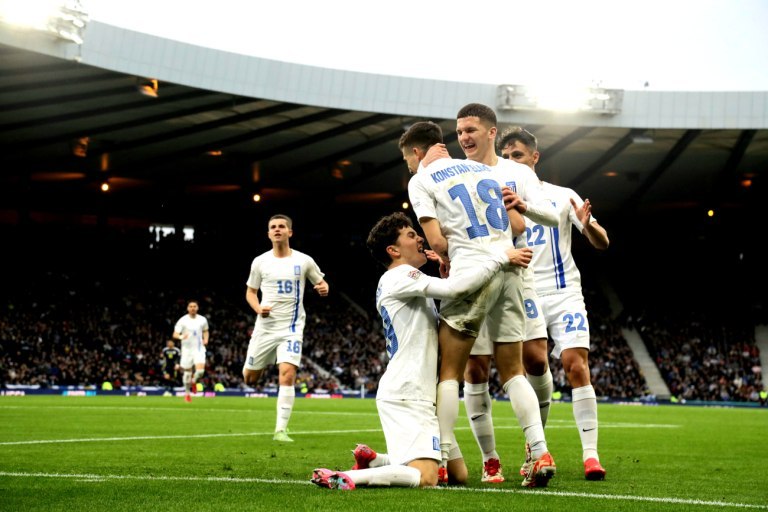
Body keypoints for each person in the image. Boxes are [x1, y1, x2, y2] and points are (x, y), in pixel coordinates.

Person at [312, 212, 530, 490]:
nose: (420, 239)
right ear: (393, 250)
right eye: (411, 235)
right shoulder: (401, 274)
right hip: (409, 391)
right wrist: (501, 257)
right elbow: (455, 289)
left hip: (415, 390)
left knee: (459, 475)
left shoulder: (398, 280)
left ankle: (375, 460)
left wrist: (447, 271)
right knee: (427, 478)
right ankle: (344, 477)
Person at [404, 120, 556, 488]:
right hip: (510, 268)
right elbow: (518, 225)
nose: (409, 165)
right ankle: (540, 452)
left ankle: (441, 460)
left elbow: (436, 241)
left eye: (408, 159)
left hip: (472, 273)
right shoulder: (482, 170)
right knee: (513, 371)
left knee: (450, 373)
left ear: (417, 153)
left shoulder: (421, 179)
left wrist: (446, 257)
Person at [458, 124, 611, 480]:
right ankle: (537, 443)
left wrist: (588, 226)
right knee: (535, 362)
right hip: (522, 289)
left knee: (575, 365)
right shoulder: (493, 195)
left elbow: (602, 242)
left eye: (518, 155)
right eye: (507, 156)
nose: (512, 161)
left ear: (534, 157)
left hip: (563, 291)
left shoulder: (562, 196)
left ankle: (590, 455)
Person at [243, 214, 329, 442]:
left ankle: (280, 430)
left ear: (290, 232)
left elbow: (321, 282)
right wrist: (258, 308)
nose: (277, 229)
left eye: (282, 226)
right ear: (268, 233)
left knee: (288, 374)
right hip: (265, 328)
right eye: (273, 227)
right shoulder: (260, 262)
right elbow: (250, 292)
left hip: (292, 328)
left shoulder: (304, 261)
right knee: (250, 379)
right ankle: (264, 361)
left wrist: (323, 288)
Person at [173, 300, 209, 403]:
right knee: (187, 373)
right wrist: (181, 336)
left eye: (194, 306)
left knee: (200, 371)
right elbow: (175, 334)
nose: (192, 308)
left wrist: (206, 339)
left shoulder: (202, 319)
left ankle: (193, 381)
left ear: (197, 308)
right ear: (188, 308)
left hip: (199, 349)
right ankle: (187, 394)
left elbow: (206, 330)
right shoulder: (182, 320)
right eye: (191, 306)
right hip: (186, 350)